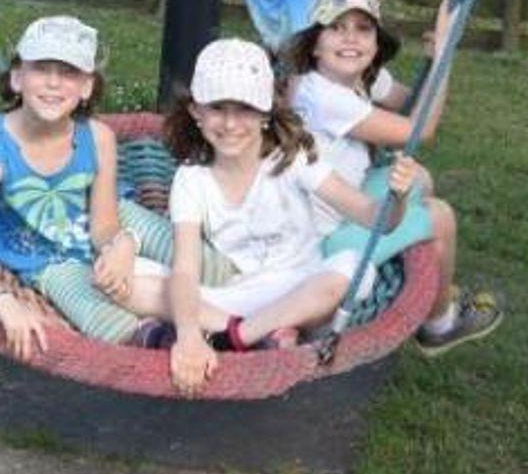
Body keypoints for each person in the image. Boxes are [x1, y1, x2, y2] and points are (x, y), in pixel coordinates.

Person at [161, 39, 421, 396]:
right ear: (196, 111)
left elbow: (377, 219)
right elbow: (185, 268)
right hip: (238, 294)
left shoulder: (291, 158)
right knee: (144, 283)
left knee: (354, 269)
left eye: (245, 109)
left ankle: (236, 338)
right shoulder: (192, 179)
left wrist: (398, 198)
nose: (231, 123)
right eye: (218, 108)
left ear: (266, 112)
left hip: (301, 287)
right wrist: (189, 336)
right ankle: (263, 334)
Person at [284, 0, 502, 354]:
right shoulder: (321, 95)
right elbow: (420, 130)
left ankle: (426, 274)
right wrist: (444, 58)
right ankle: (438, 325)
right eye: (336, 28)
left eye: (362, 28)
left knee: (420, 178)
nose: (350, 39)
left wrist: (433, 64)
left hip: (345, 200)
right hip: (319, 242)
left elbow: (413, 104)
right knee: (440, 217)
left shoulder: (363, 77)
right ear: (314, 43)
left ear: (375, 42)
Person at [0, 16, 178, 355]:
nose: (54, 83)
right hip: (46, 256)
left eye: (69, 72)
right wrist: (4, 301)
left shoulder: (98, 138)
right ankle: (169, 340)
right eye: (41, 68)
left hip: (108, 222)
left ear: (87, 86)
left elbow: (105, 225)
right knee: (103, 319)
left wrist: (122, 244)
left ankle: (240, 304)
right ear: (17, 77)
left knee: (181, 248)